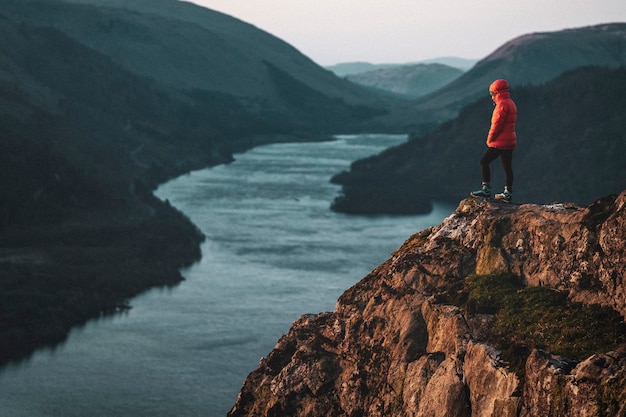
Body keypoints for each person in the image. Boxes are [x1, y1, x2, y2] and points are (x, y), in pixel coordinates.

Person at [470, 79, 517, 202]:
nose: (491, 97)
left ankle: (486, 189)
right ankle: (508, 192)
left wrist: (490, 140)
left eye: (492, 94)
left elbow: (496, 125)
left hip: (500, 142)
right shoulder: (511, 103)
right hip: (510, 141)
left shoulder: (501, 106)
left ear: (497, 92)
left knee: (484, 161)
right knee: (507, 167)